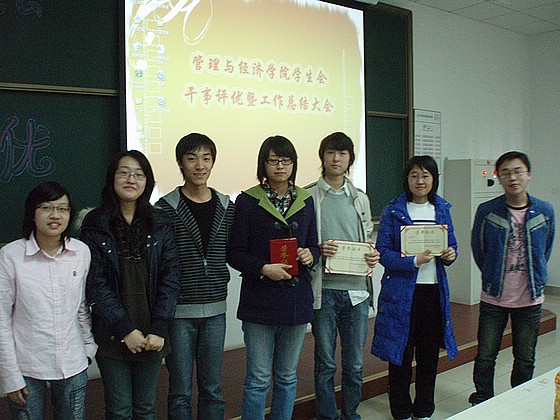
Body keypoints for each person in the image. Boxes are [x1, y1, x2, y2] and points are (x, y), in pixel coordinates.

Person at [80, 150, 180, 419]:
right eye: (123, 173)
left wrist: (160, 327)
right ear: (111, 178)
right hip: (112, 332)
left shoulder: (160, 221)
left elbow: (171, 278)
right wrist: (125, 329)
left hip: (152, 332)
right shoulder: (96, 223)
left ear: (147, 181)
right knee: (119, 410)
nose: (131, 179)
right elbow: (95, 283)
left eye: (138, 174)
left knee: (146, 408)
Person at [227, 135, 320, 420]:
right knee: (258, 379)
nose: (280, 166)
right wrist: (263, 268)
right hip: (260, 301)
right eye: (273, 160)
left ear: (294, 164)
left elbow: (314, 244)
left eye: (286, 160)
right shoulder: (247, 201)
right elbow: (235, 252)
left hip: (295, 300)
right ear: (263, 164)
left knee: (287, 377)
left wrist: (311, 254)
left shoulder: (305, 200)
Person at [0, 181, 97, 419]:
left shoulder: (81, 252)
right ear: (32, 213)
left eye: (63, 209)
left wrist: (88, 348)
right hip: (26, 367)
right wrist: (10, 375)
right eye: (46, 208)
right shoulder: (11, 256)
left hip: (73, 363)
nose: (55, 215)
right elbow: (2, 319)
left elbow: (81, 307)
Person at [371, 155, 458, 420]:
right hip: (401, 293)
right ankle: (400, 411)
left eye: (425, 176)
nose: (420, 181)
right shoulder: (393, 210)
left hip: (432, 292)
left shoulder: (441, 209)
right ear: (407, 179)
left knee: (429, 356)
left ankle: (423, 410)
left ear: (434, 179)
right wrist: (412, 262)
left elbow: (452, 245)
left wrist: (450, 254)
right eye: (414, 175)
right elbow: (383, 253)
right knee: (401, 354)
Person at [156, 133, 234, 420]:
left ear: (213, 162)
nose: (199, 165)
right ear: (180, 163)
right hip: (178, 313)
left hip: (215, 311)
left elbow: (236, 249)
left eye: (206, 158)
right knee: (180, 392)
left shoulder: (226, 206)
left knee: (212, 389)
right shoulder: (164, 208)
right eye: (192, 158)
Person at [468, 151, 555, 406]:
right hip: (494, 296)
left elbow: (545, 248)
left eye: (518, 171)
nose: (512, 178)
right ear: (499, 178)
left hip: (530, 298)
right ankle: (483, 399)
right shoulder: (487, 210)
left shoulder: (545, 210)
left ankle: (520, 401)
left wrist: (537, 275)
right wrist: (492, 274)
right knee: (486, 355)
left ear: (528, 175)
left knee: (525, 357)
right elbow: (478, 248)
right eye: (505, 173)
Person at [306, 132, 380, 420]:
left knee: (355, 364)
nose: (336, 158)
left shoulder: (360, 198)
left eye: (342, 153)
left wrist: (372, 255)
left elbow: (367, 238)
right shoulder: (309, 196)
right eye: (330, 152)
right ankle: (327, 416)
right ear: (322, 156)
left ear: (350, 159)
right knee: (325, 363)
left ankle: (351, 414)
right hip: (323, 290)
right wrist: (317, 248)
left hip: (357, 292)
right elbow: (303, 242)